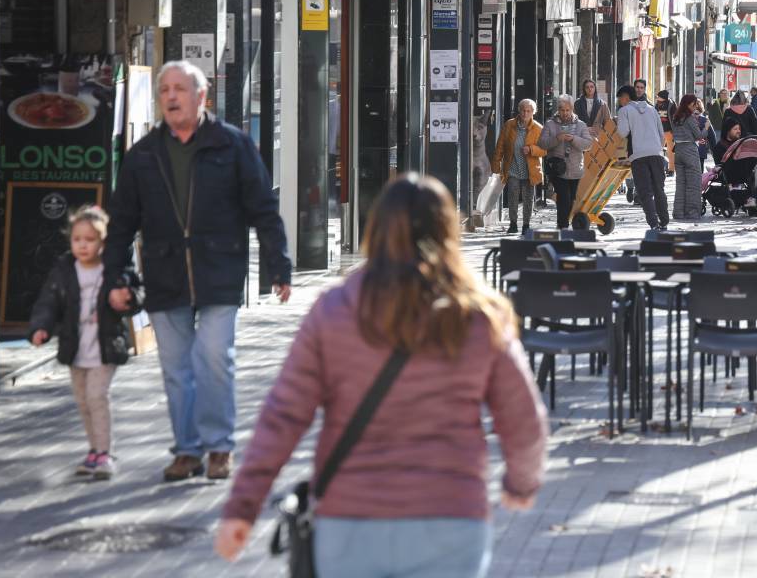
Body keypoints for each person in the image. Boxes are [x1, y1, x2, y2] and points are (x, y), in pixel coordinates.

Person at [215, 174, 548, 576]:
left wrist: (243, 508)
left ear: (376, 228)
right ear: (448, 231)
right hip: (450, 517)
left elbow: (283, 415)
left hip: (350, 519)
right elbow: (523, 418)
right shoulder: (480, 317)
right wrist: (521, 484)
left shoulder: (334, 310)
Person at [104, 61, 292, 483]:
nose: (171, 97)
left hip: (219, 271)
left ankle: (220, 447)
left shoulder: (233, 146)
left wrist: (279, 266)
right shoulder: (144, 155)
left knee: (213, 357)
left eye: (180, 89)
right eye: (164, 90)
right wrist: (115, 278)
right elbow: (120, 224)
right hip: (164, 272)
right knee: (176, 367)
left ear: (202, 96)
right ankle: (187, 450)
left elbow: (263, 209)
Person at [29, 206, 142, 480]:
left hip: (105, 345)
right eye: (77, 239)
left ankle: (104, 454)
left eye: (90, 239)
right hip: (75, 346)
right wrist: (40, 327)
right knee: (82, 401)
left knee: (96, 396)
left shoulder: (113, 269)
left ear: (103, 242)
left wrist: (127, 299)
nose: (82, 245)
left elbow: (137, 295)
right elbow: (48, 301)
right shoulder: (64, 269)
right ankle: (93, 451)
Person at [615, 85, 670, 230]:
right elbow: (661, 133)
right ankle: (664, 221)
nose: (619, 102)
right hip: (656, 153)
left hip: (638, 155)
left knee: (645, 192)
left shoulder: (624, 110)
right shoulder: (652, 109)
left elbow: (623, 132)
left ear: (625, 97)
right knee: (659, 189)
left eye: (620, 99)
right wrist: (658, 148)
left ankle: (653, 223)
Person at [491, 99, 546, 234]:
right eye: (523, 110)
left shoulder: (538, 128)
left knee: (528, 198)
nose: (525, 113)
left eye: (528, 111)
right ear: (519, 110)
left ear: (533, 112)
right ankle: (513, 223)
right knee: (513, 196)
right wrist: (496, 165)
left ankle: (526, 225)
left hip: (530, 170)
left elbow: (545, 150)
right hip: (513, 168)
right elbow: (500, 146)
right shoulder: (509, 125)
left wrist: (532, 149)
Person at [539, 95, 594, 229]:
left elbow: (588, 144)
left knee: (571, 200)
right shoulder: (550, 124)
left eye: (567, 110)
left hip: (575, 169)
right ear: (558, 110)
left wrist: (574, 139)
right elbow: (542, 143)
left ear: (572, 110)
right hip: (557, 169)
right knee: (564, 197)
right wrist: (557, 138)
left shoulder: (581, 125)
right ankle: (563, 225)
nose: (565, 113)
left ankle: (562, 222)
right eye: (562, 110)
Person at [670, 94, 706, 221]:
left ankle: (678, 213)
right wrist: (706, 128)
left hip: (678, 151)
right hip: (690, 151)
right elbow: (699, 135)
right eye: (693, 104)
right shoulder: (689, 118)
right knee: (694, 184)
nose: (695, 106)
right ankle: (692, 213)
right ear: (688, 104)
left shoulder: (675, 118)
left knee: (680, 184)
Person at [654, 90, 676, 176]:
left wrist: (675, 131)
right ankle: (659, 168)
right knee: (658, 150)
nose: (657, 98)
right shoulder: (656, 105)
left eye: (658, 96)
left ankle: (671, 170)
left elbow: (675, 118)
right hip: (659, 131)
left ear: (663, 97)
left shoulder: (671, 104)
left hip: (669, 131)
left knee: (670, 151)